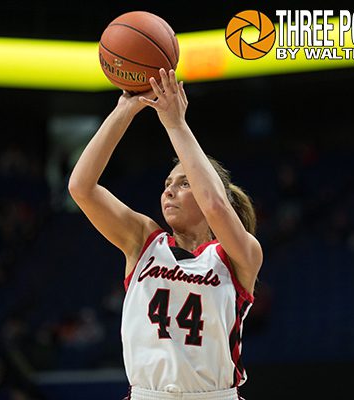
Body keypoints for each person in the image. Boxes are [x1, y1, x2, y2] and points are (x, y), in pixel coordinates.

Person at [68, 69, 263, 400]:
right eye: (167, 184)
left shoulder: (239, 255)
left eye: (184, 183)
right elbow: (81, 187)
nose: (170, 191)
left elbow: (215, 205)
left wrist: (176, 124)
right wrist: (124, 109)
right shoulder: (144, 240)